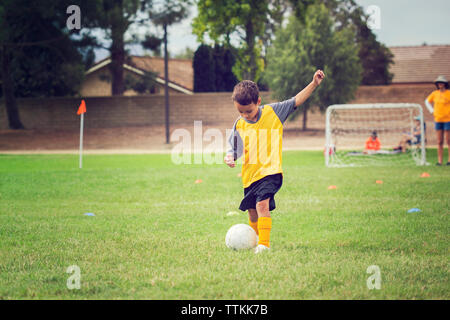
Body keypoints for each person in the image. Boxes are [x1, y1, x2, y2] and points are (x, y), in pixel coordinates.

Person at [224, 70, 325, 253]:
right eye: (240, 111)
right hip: (250, 175)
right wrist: (230, 156)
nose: (245, 115)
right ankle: (254, 242)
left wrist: (314, 84)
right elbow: (235, 149)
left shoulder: (274, 112)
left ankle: (264, 245)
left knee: (262, 205)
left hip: (271, 172)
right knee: (252, 212)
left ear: (259, 102)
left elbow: (296, 100)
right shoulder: (239, 124)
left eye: (249, 110)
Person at [425, 75, 450, 166]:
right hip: (438, 119)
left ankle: (449, 160)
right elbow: (427, 101)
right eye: (439, 82)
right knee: (439, 141)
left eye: (442, 82)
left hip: (448, 119)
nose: (440, 84)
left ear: (445, 84)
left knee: (448, 140)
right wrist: (432, 111)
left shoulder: (448, 93)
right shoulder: (434, 93)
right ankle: (440, 161)